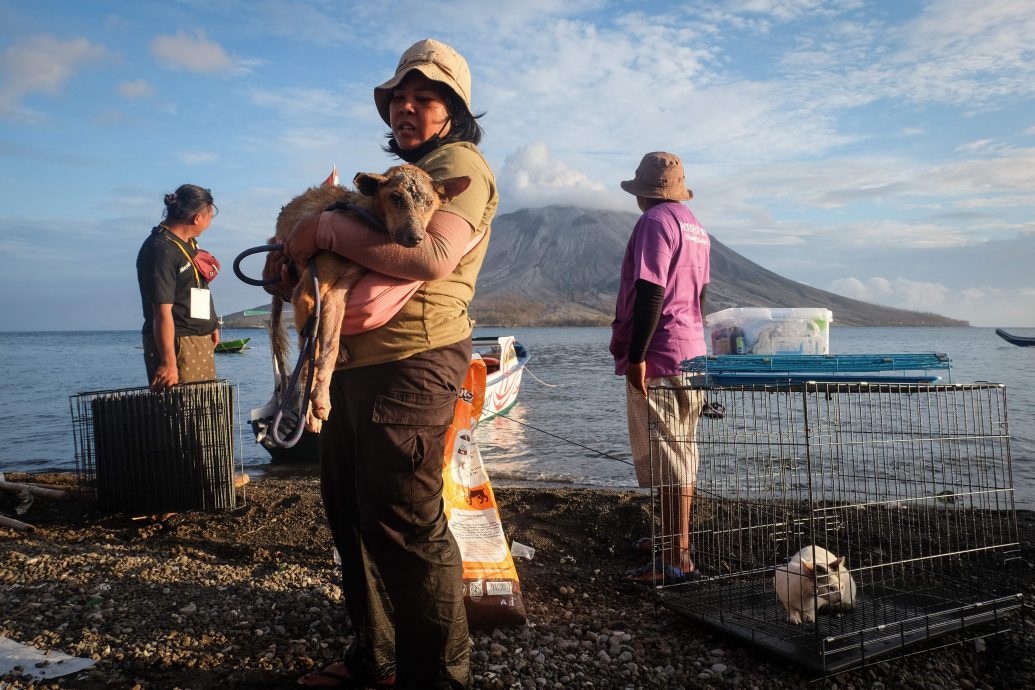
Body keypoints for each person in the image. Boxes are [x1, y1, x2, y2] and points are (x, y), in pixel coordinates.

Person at [269, 39, 497, 690]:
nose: (405, 107)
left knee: (403, 518)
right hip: (349, 365)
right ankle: (376, 657)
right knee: (349, 511)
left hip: (413, 360)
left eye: (423, 97)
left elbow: (428, 257)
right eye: (398, 97)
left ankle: (437, 679)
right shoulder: (397, 177)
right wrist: (292, 259)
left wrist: (325, 232)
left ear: (453, 108)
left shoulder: (459, 167)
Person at [609, 152, 710, 583]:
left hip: (661, 353)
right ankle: (671, 539)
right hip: (692, 349)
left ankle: (676, 557)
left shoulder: (653, 223)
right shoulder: (695, 226)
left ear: (643, 193)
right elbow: (701, 295)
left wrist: (636, 357)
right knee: (682, 449)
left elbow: (650, 291)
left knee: (670, 456)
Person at [136, 184, 220, 392]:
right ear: (197, 218)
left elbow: (193, 288)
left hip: (198, 340)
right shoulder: (161, 250)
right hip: (178, 344)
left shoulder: (187, 243)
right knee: (183, 414)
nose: (211, 221)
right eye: (210, 215)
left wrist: (210, 325)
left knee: (204, 411)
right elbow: (161, 312)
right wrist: (168, 363)